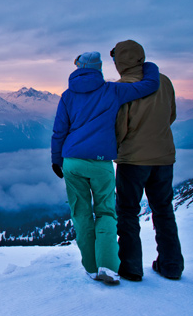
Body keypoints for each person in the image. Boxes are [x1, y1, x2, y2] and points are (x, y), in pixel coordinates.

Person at [51, 51, 160, 285]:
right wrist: (147, 64)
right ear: (99, 68)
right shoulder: (113, 91)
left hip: (72, 162)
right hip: (100, 163)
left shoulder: (67, 96)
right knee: (106, 212)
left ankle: (90, 267)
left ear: (79, 68)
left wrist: (56, 160)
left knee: (80, 213)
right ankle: (108, 266)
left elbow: (59, 131)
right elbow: (149, 85)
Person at [111, 40, 184, 281]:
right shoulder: (164, 82)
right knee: (163, 210)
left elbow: (120, 127)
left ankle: (131, 267)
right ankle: (171, 265)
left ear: (121, 61)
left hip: (133, 160)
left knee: (128, 211)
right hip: (164, 157)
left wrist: (118, 147)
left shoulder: (123, 87)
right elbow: (171, 114)